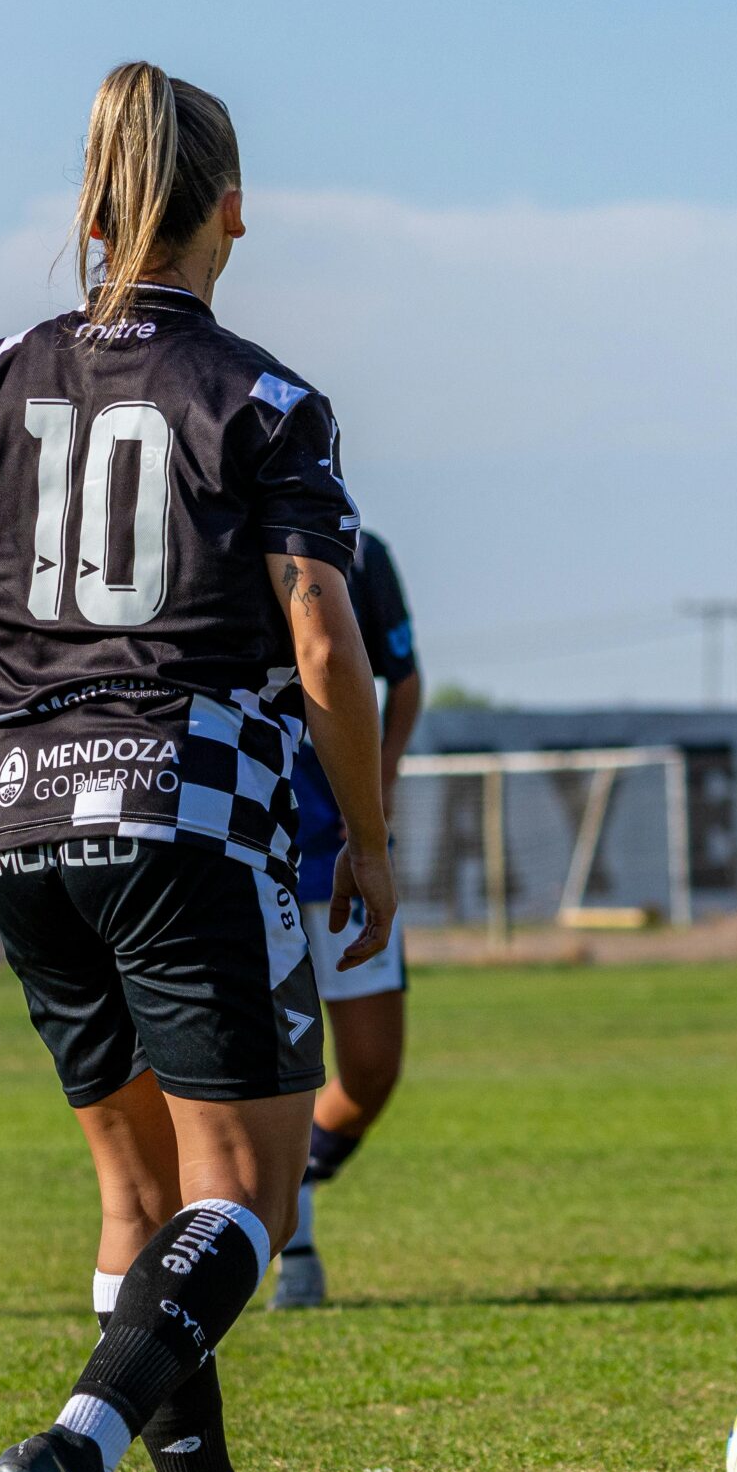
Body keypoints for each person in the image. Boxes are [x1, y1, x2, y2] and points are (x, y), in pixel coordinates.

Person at [0, 62, 396, 1472]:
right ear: (234, 211)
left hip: (23, 818)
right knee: (249, 1197)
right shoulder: (264, 397)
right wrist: (367, 838)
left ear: (92, 213)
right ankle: (75, 1447)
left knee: (135, 1190)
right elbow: (325, 641)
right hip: (189, 808)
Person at [270, 528, 423, 1308]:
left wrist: (377, 786)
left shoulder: (361, 554)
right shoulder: (213, 540)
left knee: (369, 1070)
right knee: (275, 1067)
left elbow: (406, 681)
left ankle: (285, 1188)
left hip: (341, 845)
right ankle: (291, 1251)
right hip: (247, 840)